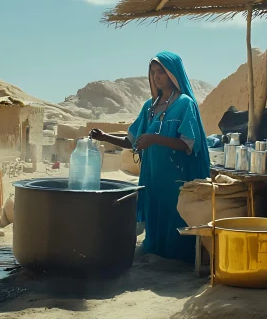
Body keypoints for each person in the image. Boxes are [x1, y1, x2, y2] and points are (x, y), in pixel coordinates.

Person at [90, 51, 210, 264]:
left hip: (175, 177)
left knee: (174, 215)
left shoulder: (184, 103)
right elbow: (133, 141)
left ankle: (177, 261)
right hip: (152, 176)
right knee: (155, 214)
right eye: (153, 72)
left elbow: (189, 143)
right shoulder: (150, 107)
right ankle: (157, 255)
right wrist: (104, 136)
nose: (156, 76)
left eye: (161, 71)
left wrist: (156, 138)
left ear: (173, 73)